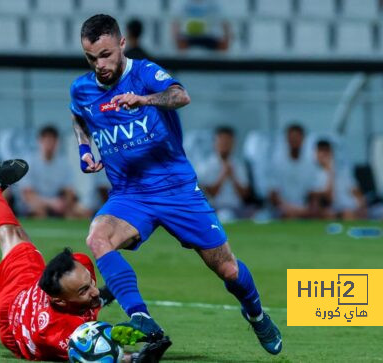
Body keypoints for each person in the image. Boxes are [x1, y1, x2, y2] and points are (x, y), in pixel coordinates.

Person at [69, 14, 281, 355]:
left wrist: (145, 99)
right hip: (130, 195)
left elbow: (181, 96)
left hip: (176, 190)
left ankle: (256, 314)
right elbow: (78, 114)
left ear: (122, 44)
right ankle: (141, 317)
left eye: (106, 54)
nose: (100, 65)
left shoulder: (144, 73)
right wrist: (83, 149)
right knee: (97, 236)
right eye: (92, 58)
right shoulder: (82, 88)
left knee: (227, 269)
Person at [0, 159, 172, 362]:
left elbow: (83, 287)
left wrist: (96, 296)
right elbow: (96, 355)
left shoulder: (80, 264)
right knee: (10, 237)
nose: (93, 288)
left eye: (89, 283)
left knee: (13, 235)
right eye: (83, 290)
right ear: (59, 300)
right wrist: (138, 358)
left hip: (25, 287)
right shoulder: (54, 333)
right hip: (12, 318)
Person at [313, 140, 383, 221]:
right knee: (347, 214)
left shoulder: (343, 172)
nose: (325, 156)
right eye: (321, 152)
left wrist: (362, 207)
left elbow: (356, 192)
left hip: (360, 209)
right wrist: (331, 172)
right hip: (341, 212)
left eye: (327, 152)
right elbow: (329, 199)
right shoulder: (316, 175)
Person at [18, 126, 91, 219]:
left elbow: (69, 191)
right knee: (38, 211)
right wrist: (51, 203)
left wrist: (65, 205)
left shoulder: (64, 164)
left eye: (52, 140)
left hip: (58, 204)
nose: (50, 144)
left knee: (83, 212)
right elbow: (28, 194)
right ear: (39, 141)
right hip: (35, 203)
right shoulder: (29, 162)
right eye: (47, 140)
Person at [198, 126, 252, 222]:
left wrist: (233, 176)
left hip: (237, 208)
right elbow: (209, 193)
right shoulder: (206, 165)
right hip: (215, 208)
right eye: (222, 141)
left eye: (228, 142)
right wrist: (223, 175)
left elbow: (244, 194)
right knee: (225, 216)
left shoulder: (238, 164)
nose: (225, 145)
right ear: (215, 142)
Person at [268, 124, 322, 219]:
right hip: (282, 208)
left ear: (303, 139)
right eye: (291, 137)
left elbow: (314, 193)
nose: (294, 140)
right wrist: (287, 207)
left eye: (297, 137)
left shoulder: (311, 164)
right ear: (286, 139)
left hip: (305, 209)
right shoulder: (276, 163)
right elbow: (273, 194)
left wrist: (312, 208)